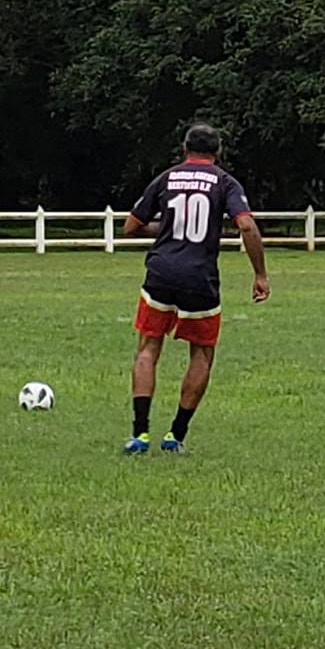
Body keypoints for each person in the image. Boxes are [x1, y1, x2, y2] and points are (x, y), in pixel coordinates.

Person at [120, 123, 269, 454]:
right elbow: (245, 223)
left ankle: (140, 434)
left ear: (184, 148)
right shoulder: (225, 182)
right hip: (199, 276)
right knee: (201, 353)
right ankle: (176, 435)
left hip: (160, 272)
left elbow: (132, 225)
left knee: (148, 348)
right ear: (218, 153)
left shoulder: (167, 177)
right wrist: (260, 273)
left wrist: (168, 230)